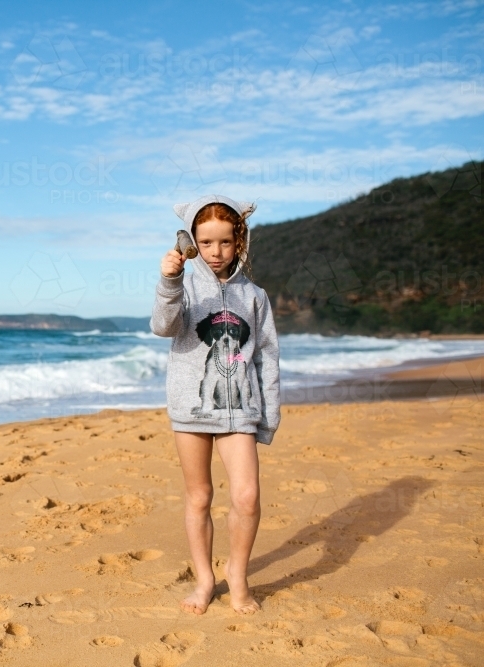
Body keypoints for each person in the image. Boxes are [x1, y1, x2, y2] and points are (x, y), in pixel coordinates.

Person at [150, 194, 281, 615]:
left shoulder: (255, 296)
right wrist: (170, 282)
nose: (216, 253)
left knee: (246, 498)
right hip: (191, 408)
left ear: (239, 240)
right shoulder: (184, 286)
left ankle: (237, 575)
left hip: (241, 409)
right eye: (206, 243)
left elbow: (266, 357)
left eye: (225, 242)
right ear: (192, 242)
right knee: (200, 497)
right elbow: (162, 326)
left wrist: (268, 416)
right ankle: (204, 578)